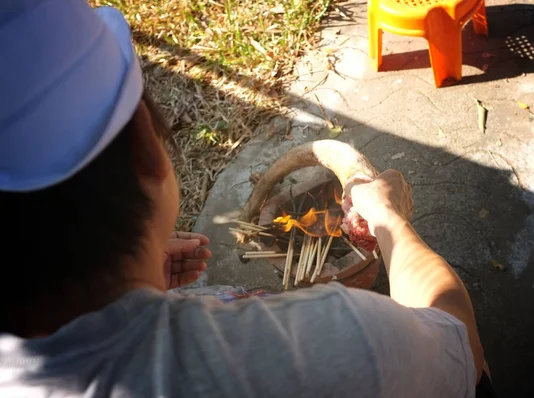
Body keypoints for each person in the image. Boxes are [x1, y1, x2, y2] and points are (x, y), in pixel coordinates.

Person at [0, 1, 497, 397]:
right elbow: (461, 346)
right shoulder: (341, 344)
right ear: (145, 153)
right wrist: (390, 221)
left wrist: (141, 276)